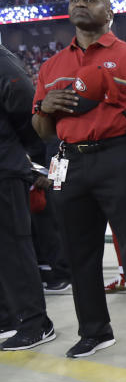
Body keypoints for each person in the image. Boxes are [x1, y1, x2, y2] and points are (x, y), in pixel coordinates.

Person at [31, 0, 126, 359]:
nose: (80, 4)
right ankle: (95, 331)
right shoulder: (51, 67)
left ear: (109, 11)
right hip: (70, 161)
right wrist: (45, 107)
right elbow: (44, 131)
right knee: (79, 252)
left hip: (119, 159)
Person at [0, 42, 57, 351]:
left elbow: (29, 122)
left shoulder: (6, 67)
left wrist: (29, 162)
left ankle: (36, 323)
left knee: (15, 249)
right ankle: (7, 318)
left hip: (6, 172)